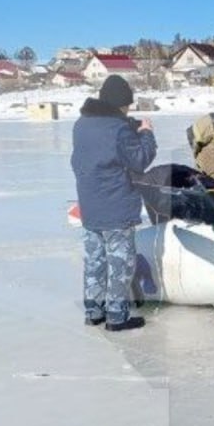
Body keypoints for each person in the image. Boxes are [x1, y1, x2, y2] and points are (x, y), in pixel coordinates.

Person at [70, 75, 157, 331]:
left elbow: (105, 143)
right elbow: (140, 160)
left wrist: (130, 126)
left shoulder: (81, 124)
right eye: (128, 106)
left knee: (94, 262)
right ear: (121, 104)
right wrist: (146, 133)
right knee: (120, 264)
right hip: (116, 207)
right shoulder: (118, 129)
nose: (129, 110)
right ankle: (117, 318)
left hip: (90, 206)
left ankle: (93, 312)